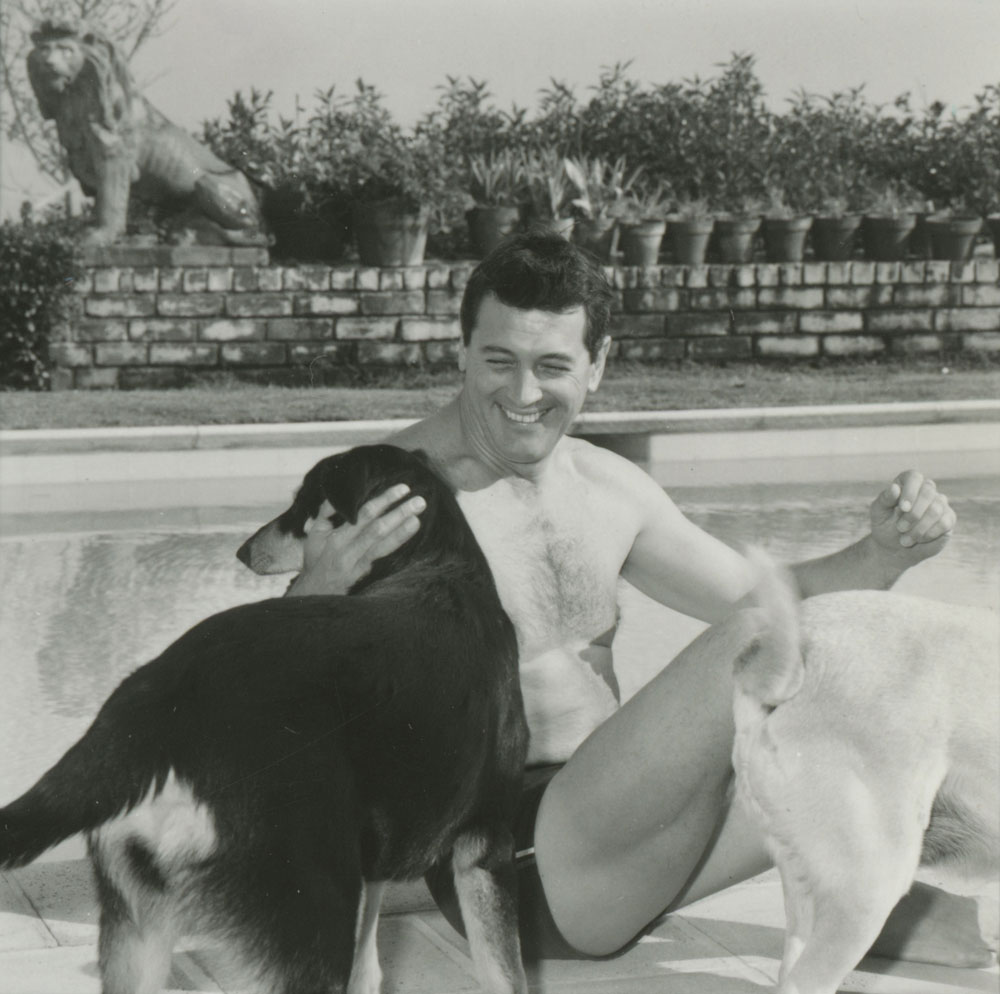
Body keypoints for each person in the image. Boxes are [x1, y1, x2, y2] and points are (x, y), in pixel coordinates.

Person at [288, 231, 993, 966]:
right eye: (499, 360)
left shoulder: (608, 487)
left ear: (598, 366)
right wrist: (313, 592)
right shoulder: (391, 492)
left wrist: (881, 553)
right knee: (762, 645)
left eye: (551, 366)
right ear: (461, 351)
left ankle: (882, 897)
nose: (523, 394)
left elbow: (763, 596)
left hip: (636, 841)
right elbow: (279, 710)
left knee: (949, 914)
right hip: (518, 861)